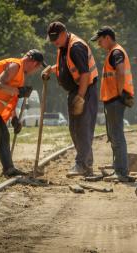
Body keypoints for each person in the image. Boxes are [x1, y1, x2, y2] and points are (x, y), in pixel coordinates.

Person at [0, 49, 46, 177]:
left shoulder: (20, 74)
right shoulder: (15, 65)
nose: (37, 70)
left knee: (4, 135)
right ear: (34, 63)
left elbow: (10, 100)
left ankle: (8, 169)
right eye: (38, 67)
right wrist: (18, 90)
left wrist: (14, 118)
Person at [42, 21, 98, 177]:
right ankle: (86, 165)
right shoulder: (63, 46)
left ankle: (82, 164)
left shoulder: (75, 47)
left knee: (82, 129)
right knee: (74, 129)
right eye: (51, 39)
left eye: (56, 38)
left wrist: (80, 97)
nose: (54, 42)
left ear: (63, 33)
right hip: (76, 90)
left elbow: (85, 74)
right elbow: (66, 66)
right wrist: (51, 69)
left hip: (85, 89)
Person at [91, 26, 134, 182]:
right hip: (113, 99)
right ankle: (118, 169)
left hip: (116, 99)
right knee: (114, 135)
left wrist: (120, 92)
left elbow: (121, 72)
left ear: (108, 37)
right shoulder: (114, 52)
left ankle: (121, 171)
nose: (99, 44)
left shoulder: (116, 52)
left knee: (117, 135)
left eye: (100, 41)